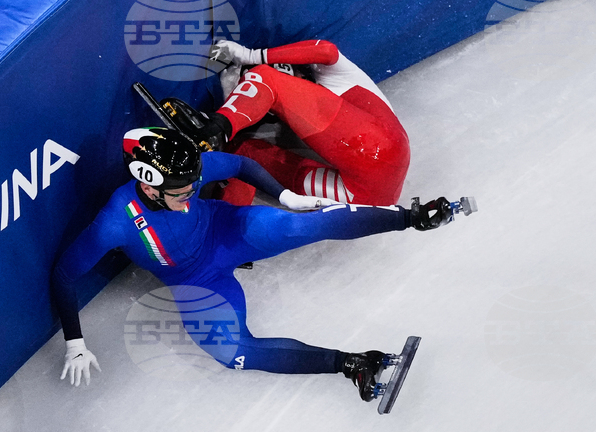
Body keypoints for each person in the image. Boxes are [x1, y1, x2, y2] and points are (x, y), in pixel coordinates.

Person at [50, 127, 455, 401]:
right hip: (195, 282)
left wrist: (284, 196)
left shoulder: (186, 169)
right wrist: (74, 343)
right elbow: (64, 276)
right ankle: (352, 364)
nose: (189, 197)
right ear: (147, 186)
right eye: (179, 194)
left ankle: (410, 217)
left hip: (227, 230)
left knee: (300, 227)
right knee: (231, 352)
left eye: (194, 187)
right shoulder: (113, 222)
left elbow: (241, 165)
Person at [175, 39, 410, 208]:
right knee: (244, 156)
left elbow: (327, 50)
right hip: (377, 199)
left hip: (379, 147)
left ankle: (219, 127)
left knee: (267, 79)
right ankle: (222, 229)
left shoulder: (332, 73)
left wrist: (251, 56)